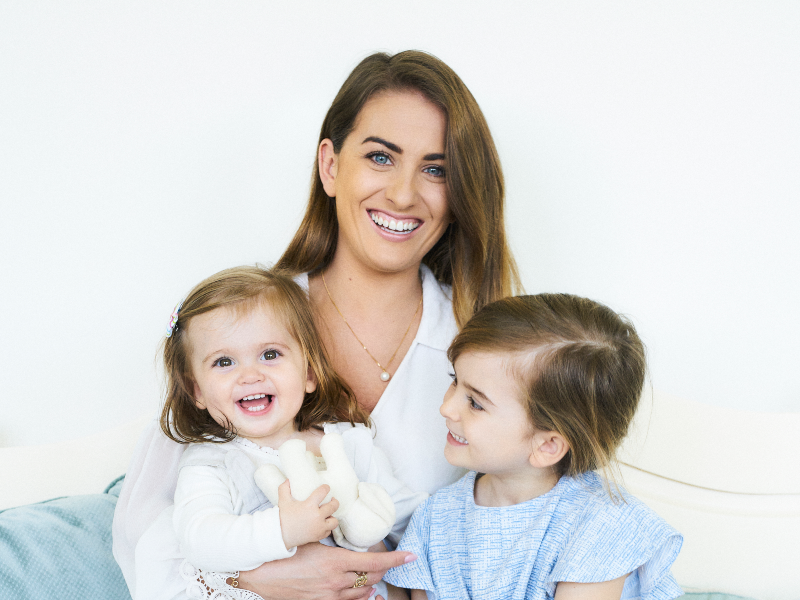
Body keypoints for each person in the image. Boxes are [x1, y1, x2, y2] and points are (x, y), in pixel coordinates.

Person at [112, 49, 521, 600]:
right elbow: (143, 536)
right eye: (380, 158)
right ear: (330, 165)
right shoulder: (239, 331)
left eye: (435, 169)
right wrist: (256, 577)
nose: (403, 194)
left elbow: (519, 525)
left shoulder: (482, 354)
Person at [132, 266, 428, 600]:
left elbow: (411, 519)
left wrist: (420, 583)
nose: (249, 375)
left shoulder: (349, 443)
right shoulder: (213, 463)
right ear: (196, 390)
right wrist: (282, 529)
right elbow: (200, 538)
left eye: (270, 354)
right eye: (224, 362)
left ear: (309, 374)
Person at [384, 294, 684, 600]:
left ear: (548, 446)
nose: (447, 407)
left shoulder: (601, 525)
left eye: (475, 403)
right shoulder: (434, 518)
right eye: (454, 380)